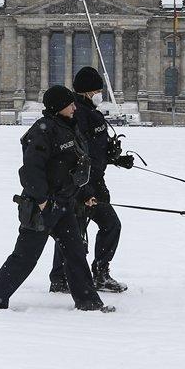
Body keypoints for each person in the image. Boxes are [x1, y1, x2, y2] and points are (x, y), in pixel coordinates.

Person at [0, 85, 114, 313]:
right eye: (70, 104)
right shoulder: (42, 131)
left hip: (65, 203)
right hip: (43, 207)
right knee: (25, 257)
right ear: (59, 107)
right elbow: (30, 171)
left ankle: (88, 302)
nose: (74, 107)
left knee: (75, 253)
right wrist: (42, 201)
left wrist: (86, 194)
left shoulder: (69, 128)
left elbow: (75, 167)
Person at [49, 66, 135, 295]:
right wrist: (86, 188)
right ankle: (89, 275)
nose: (100, 94)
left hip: (94, 179)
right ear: (88, 92)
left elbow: (95, 149)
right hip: (83, 184)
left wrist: (116, 158)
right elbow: (78, 152)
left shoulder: (89, 111)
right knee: (86, 228)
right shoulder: (78, 113)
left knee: (74, 231)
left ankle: (64, 277)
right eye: (97, 90)